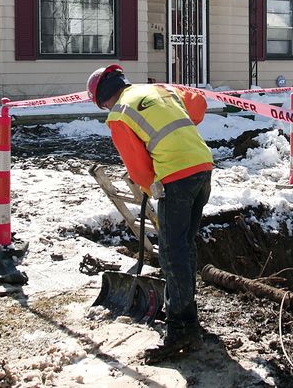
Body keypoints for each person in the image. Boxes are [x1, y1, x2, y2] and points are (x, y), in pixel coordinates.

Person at [87, 64, 214, 364]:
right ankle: (189, 319)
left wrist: (149, 187)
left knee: (172, 252)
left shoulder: (118, 114)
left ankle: (180, 329)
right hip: (203, 168)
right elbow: (198, 105)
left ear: (104, 99)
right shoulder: (160, 89)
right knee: (185, 245)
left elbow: (138, 167)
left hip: (176, 177)